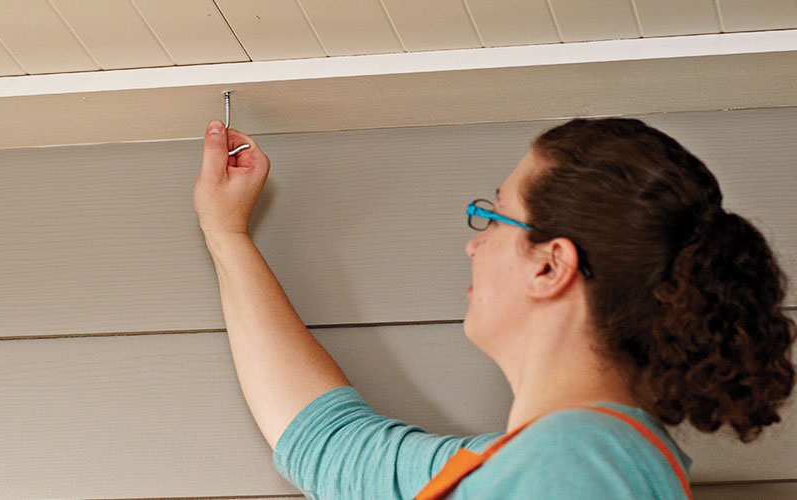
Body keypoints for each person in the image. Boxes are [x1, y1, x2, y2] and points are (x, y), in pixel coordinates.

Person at [193, 117, 795, 499]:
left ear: (550, 266)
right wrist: (227, 234)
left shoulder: (576, 465)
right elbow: (331, 445)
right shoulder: (536, 462)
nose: (472, 243)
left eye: (494, 216)